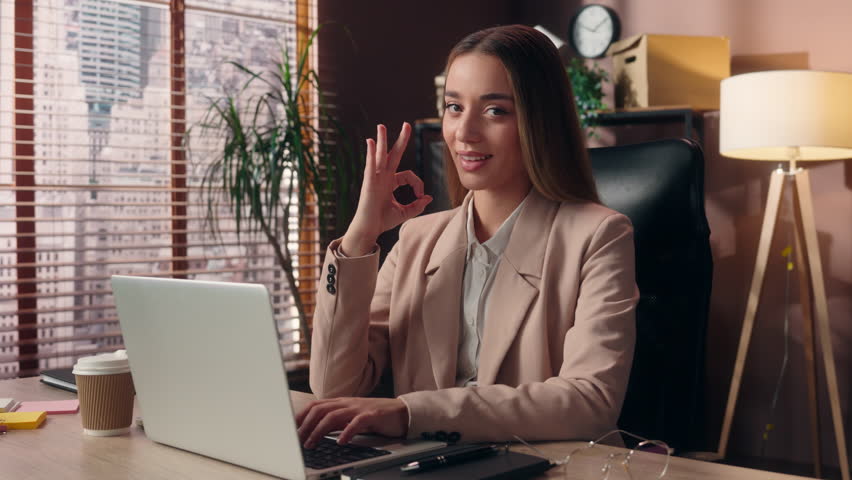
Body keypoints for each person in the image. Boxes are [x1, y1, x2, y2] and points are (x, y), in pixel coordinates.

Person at [296, 24, 638, 449]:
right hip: (429, 467)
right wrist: (360, 238)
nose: (465, 132)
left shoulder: (598, 235)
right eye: (454, 107)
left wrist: (411, 414)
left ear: (540, 122)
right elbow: (333, 385)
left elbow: (591, 401)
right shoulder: (417, 239)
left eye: (495, 111)